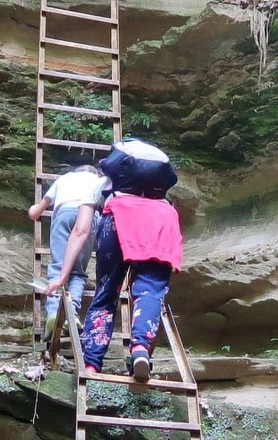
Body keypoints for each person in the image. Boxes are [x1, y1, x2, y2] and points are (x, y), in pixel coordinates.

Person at [44, 138, 181, 380]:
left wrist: (63, 276)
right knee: (149, 291)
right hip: (162, 221)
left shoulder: (102, 183)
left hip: (120, 218)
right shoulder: (157, 190)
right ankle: (140, 350)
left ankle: (92, 364)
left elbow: (81, 231)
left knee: (106, 292)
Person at [28, 163, 108, 329]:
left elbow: (35, 213)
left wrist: (32, 208)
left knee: (58, 266)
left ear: (75, 171)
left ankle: (52, 313)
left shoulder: (63, 179)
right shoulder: (99, 181)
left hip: (64, 215)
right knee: (77, 272)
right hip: (88, 218)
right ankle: (71, 314)